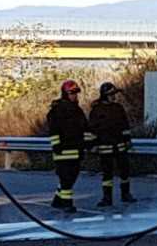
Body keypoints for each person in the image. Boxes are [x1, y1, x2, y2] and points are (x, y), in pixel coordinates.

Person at [87, 81, 136, 207]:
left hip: (120, 146)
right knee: (107, 174)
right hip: (105, 147)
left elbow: (125, 126)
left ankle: (126, 194)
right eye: (111, 94)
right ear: (104, 95)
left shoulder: (118, 108)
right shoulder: (96, 110)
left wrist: (127, 140)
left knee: (124, 171)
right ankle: (107, 198)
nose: (114, 96)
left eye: (114, 94)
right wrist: (92, 145)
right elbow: (92, 129)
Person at [46, 80, 88, 213]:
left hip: (76, 150)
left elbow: (85, 128)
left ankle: (57, 201)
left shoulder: (77, 110)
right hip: (62, 151)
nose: (75, 96)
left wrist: (87, 144)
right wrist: (56, 145)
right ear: (65, 93)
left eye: (76, 93)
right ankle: (67, 204)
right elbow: (53, 130)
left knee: (71, 178)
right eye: (72, 93)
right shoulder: (57, 110)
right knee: (66, 178)